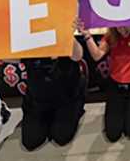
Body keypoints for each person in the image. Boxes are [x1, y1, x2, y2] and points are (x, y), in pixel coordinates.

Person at [18, 21, 86, 150]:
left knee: (61, 137)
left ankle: (76, 105)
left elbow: (78, 56)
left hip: (66, 99)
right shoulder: (29, 42)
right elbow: (7, 57)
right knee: (31, 142)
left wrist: (67, 32)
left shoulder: (63, 41)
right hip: (38, 101)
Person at [81, 24, 130, 142]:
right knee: (112, 135)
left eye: (126, 27)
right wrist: (87, 35)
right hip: (116, 86)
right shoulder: (111, 36)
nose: (123, 30)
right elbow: (97, 55)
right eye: (119, 27)